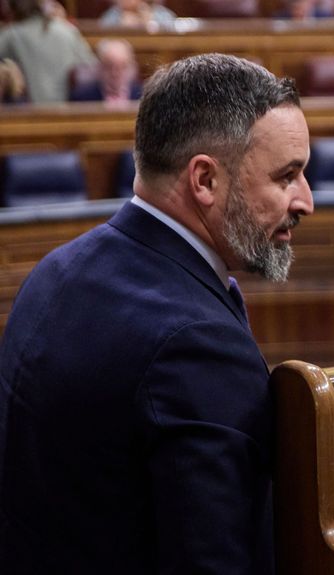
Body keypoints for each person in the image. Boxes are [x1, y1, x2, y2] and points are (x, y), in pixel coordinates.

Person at [0, 53, 314, 574]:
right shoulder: (198, 346)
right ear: (205, 180)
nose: (306, 201)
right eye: (287, 176)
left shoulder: (56, 270)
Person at [0, 0, 95, 103]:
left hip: (29, 111)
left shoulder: (12, 34)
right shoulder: (67, 30)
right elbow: (91, 66)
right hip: (68, 110)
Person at [69, 38, 142, 102]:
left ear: (131, 68)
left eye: (122, 67)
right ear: (99, 67)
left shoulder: (141, 96)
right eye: (110, 67)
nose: (115, 73)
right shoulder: (82, 97)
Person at [99, 0, 176, 29]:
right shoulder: (112, 14)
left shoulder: (160, 13)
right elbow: (102, 36)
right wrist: (121, 26)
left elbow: (172, 30)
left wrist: (148, 23)